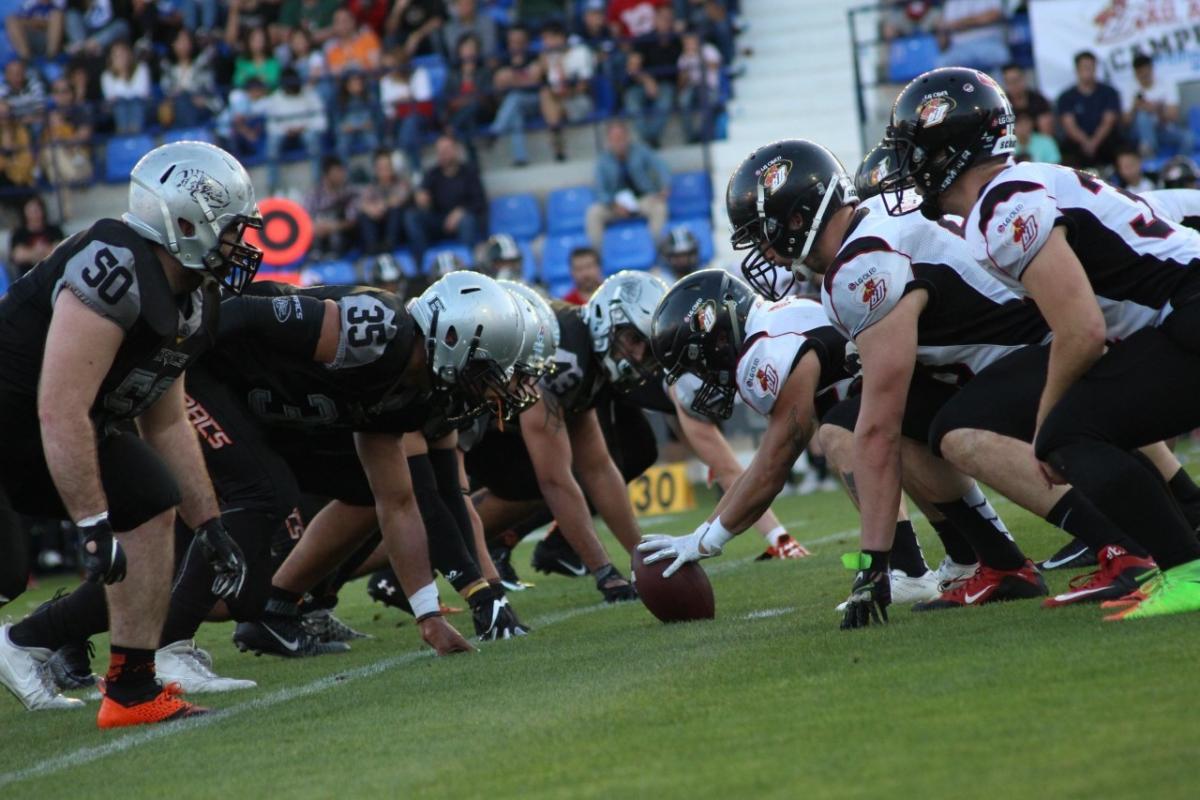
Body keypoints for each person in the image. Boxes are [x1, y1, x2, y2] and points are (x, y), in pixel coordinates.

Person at [884, 65, 1200, 620]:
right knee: (1090, 421)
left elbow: (1082, 331)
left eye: (913, 150)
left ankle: (1184, 568)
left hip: (1190, 311)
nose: (907, 168)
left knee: (1068, 432)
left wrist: (1045, 425)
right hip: (1182, 315)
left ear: (945, 149)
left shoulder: (1002, 208)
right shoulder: (1022, 187)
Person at [0, 141, 261, 724]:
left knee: (151, 498)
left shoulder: (191, 297)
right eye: (229, 229)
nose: (238, 244)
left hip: (40, 429)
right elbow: (60, 406)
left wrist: (210, 524)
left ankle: (132, 689)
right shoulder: (115, 263)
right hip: (23, 421)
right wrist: (93, 523)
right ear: (185, 220)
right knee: (6, 572)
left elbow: (164, 417)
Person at [585, 120, 671, 249]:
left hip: (642, 200)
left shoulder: (641, 151)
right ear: (608, 141)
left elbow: (661, 166)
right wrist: (614, 204)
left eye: (621, 137)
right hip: (615, 205)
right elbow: (599, 190)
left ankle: (653, 249)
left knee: (660, 208)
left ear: (627, 137)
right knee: (593, 213)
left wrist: (665, 186)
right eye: (614, 139)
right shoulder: (602, 161)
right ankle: (599, 256)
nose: (619, 142)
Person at [403, 135, 487, 266]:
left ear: (456, 150)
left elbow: (480, 202)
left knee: (467, 220)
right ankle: (423, 264)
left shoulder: (469, 172)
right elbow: (420, 196)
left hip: (462, 223)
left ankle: (468, 264)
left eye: (447, 150)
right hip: (439, 222)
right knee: (412, 216)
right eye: (440, 151)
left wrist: (460, 212)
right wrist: (420, 199)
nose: (444, 154)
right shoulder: (432, 174)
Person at [487, 25, 544, 167]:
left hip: (536, 102)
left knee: (515, 96)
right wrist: (522, 77)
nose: (516, 45)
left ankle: (495, 130)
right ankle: (520, 158)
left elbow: (534, 80)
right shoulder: (504, 60)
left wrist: (512, 79)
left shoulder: (534, 56)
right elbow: (498, 84)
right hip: (511, 107)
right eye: (513, 42)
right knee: (515, 112)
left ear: (526, 42)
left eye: (520, 42)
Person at [538, 21, 595, 162]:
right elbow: (547, 85)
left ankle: (556, 141)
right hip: (557, 103)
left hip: (580, 101)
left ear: (561, 37)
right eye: (544, 40)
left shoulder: (580, 52)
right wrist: (543, 66)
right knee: (545, 94)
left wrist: (565, 91)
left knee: (548, 98)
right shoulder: (548, 57)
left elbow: (584, 87)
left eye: (548, 38)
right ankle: (557, 137)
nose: (546, 44)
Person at [1056, 50, 1122, 169]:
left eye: (1090, 67)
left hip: (1105, 139)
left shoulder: (1109, 92)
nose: (1088, 70)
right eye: (1084, 67)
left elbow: (1108, 121)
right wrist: (1086, 142)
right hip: (1078, 143)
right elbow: (1069, 125)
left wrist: (1094, 142)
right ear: (1077, 70)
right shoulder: (1066, 97)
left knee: (1121, 147)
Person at [264, 68, 327, 192]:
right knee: (272, 145)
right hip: (283, 133)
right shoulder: (276, 98)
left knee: (313, 141)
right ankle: (273, 188)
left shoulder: (309, 94)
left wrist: (305, 126)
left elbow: (321, 120)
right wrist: (285, 129)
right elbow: (271, 126)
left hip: (305, 131)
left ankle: (317, 184)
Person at [626, 4, 680, 147]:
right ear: (655, 20)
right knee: (632, 102)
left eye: (669, 19)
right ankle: (648, 139)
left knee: (666, 100)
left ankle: (650, 139)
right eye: (663, 18)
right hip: (641, 85)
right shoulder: (644, 39)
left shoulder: (677, 41)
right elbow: (632, 68)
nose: (666, 22)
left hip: (666, 86)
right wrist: (647, 81)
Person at [1123, 53, 1190, 159]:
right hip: (1140, 134)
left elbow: (1174, 117)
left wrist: (1156, 109)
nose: (1144, 77)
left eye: (1147, 72)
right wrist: (1135, 106)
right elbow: (1125, 122)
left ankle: (1177, 165)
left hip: (1163, 129)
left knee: (1189, 138)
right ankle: (1151, 157)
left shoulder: (1166, 83)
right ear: (1136, 74)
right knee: (1143, 116)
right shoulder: (1129, 89)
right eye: (1141, 74)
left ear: (1151, 69)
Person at [379, 49, 434, 171]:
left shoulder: (419, 73)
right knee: (408, 130)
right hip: (398, 121)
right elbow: (388, 111)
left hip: (420, 116)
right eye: (388, 67)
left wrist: (405, 100)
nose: (391, 69)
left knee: (411, 122)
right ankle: (417, 171)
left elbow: (425, 99)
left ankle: (400, 152)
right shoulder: (385, 81)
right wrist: (404, 100)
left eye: (393, 65)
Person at [443, 33, 492, 162]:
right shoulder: (453, 74)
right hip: (464, 115)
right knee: (468, 122)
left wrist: (464, 100)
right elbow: (448, 99)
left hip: (481, 111)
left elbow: (485, 97)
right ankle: (474, 164)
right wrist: (466, 100)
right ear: (459, 51)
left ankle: (452, 127)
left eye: (472, 49)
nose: (469, 52)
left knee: (473, 105)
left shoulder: (484, 71)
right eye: (466, 48)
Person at [160, 29, 222, 129]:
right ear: (173, 44)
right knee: (181, 100)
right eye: (180, 41)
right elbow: (166, 92)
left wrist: (204, 101)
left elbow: (212, 94)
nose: (183, 45)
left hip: (199, 108)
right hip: (176, 108)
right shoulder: (168, 69)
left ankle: (189, 134)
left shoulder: (202, 66)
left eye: (186, 41)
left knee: (185, 100)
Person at [354, 149, 412, 256]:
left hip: (397, 230)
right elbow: (360, 204)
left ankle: (389, 246)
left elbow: (400, 198)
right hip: (377, 225)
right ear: (375, 169)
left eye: (387, 166)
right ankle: (372, 249)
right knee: (364, 216)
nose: (384, 170)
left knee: (395, 211)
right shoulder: (371, 187)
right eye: (381, 167)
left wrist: (383, 206)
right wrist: (370, 209)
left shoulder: (401, 183)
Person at [305, 155, 357, 258]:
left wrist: (333, 226)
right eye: (337, 172)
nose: (341, 175)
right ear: (326, 175)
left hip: (341, 235)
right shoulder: (314, 194)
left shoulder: (349, 193)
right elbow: (303, 217)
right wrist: (316, 226)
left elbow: (352, 221)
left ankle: (335, 255)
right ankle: (316, 255)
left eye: (342, 171)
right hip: (317, 234)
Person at [934, 0, 1008, 72]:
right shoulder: (950, 3)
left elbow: (995, 14)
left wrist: (961, 23)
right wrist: (941, 31)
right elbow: (943, 33)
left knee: (1001, 56)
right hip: (959, 47)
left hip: (988, 41)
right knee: (942, 64)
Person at [7, 194, 64, 279]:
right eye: (31, 210)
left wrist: (31, 254)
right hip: (27, 280)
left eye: (37, 210)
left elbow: (61, 250)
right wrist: (41, 252)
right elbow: (18, 255)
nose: (34, 214)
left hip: (53, 277)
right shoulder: (19, 234)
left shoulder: (55, 231)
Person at [101, 40, 151, 134]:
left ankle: (136, 132)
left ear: (129, 54)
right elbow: (111, 98)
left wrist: (124, 74)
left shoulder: (141, 68)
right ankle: (123, 134)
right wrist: (122, 74)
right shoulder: (106, 76)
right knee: (120, 103)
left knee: (135, 101)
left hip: (142, 105)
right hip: (117, 108)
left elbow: (142, 93)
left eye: (123, 54)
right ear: (111, 58)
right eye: (117, 55)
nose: (121, 58)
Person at [333, 70, 382, 163]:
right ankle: (345, 174)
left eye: (359, 81)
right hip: (348, 132)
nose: (358, 84)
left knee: (374, 143)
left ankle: (376, 172)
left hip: (366, 130)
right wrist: (342, 127)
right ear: (347, 85)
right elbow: (336, 123)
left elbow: (378, 118)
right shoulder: (340, 100)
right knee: (341, 146)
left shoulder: (370, 96)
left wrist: (372, 123)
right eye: (354, 82)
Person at [325, 7, 383, 77]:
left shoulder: (368, 38)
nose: (342, 25)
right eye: (338, 22)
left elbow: (375, 66)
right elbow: (335, 74)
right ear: (334, 26)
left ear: (353, 21)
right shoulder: (331, 47)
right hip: (343, 85)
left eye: (345, 21)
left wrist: (355, 66)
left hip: (367, 81)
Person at [1001, 63, 1054, 138]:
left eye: (1016, 80)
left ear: (1024, 78)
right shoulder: (1002, 105)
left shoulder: (1038, 101)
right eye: (1010, 82)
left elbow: (1046, 132)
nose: (1014, 85)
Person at [233, 26, 282, 91]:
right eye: (254, 39)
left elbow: (273, 83)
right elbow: (238, 82)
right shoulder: (242, 61)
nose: (258, 43)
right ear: (248, 41)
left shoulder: (273, 62)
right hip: (247, 95)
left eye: (260, 39)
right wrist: (260, 78)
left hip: (268, 96)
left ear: (266, 41)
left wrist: (249, 78)